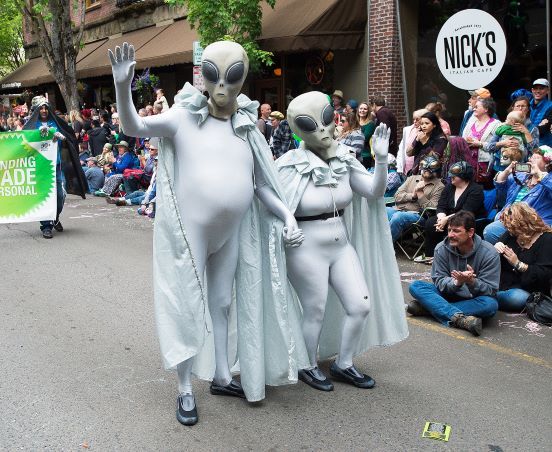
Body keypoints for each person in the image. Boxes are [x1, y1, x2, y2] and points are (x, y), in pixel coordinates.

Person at [109, 41, 303, 426]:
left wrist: (287, 215)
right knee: (186, 306)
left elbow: (261, 182)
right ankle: (184, 388)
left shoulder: (247, 125)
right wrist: (121, 86)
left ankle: (220, 376)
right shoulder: (182, 117)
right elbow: (134, 126)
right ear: (202, 74)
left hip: (230, 232)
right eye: (213, 74)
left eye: (232, 77)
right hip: (191, 232)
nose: (222, 86)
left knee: (223, 303)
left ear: (243, 78)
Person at [277, 91, 407, 392]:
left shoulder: (345, 158)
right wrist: (287, 221)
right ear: (298, 129)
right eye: (310, 124)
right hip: (306, 246)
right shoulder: (289, 165)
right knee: (315, 308)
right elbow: (273, 205)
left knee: (360, 304)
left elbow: (373, 192)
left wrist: (382, 159)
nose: (322, 131)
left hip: (339, 242)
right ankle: (307, 364)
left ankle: (344, 363)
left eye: (325, 120)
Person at [408, 211, 499, 336]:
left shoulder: (489, 253)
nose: (451, 235)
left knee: (491, 305)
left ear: (470, 232)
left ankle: (429, 309)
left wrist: (472, 282)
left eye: (456, 231)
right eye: (449, 230)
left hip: (473, 298)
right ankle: (458, 318)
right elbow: (439, 281)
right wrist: (456, 282)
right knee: (416, 286)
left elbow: (491, 290)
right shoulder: (441, 248)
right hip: (448, 293)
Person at [23, 96, 87, 239]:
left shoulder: (56, 122)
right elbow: (24, 144)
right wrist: (38, 136)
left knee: (60, 195)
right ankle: (46, 226)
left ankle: (55, 217)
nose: (44, 110)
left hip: (56, 166)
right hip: (40, 168)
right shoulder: (31, 125)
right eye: (41, 108)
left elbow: (67, 139)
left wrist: (60, 138)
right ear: (36, 110)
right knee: (44, 197)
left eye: (46, 107)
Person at [483, 147, 552, 244]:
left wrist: (539, 174)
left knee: (491, 231)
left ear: (547, 163)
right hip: (510, 219)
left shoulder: (549, 179)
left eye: (536, 158)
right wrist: (507, 171)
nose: (530, 159)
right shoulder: (522, 175)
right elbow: (499, 185)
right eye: (531, 157)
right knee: (490, 231)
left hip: (532, 225)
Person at [419, 161, 485, 263]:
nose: (451, 177)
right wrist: (441, 219)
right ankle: (432, 256)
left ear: (464, 176)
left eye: (454, 176)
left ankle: (450, 258)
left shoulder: (476, 190)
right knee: (431, 223)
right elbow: (441, 206)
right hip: (448, 218)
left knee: (453, 228)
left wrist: (446, 219)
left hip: (468, 219)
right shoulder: (449, 187)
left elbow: (467, 211)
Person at [494, 203, 552, 312]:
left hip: (527, 289)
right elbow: (492, 260)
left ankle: (487, 298)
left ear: (526, 223)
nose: (510, 231)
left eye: (514, 227)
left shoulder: (547, 239)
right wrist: (495, 249)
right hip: (503, 283)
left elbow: (545, 274)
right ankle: (488, 298)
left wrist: (517, 264)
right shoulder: (511, 234)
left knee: (519, 298)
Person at [387, 155, 444, 242]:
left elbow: (432, 209)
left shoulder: (439, 186)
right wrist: (413, 196)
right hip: (398, 209)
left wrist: (420, 194)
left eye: (429, 170)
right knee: (380, 211)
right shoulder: (412, 178)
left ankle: (385, 247)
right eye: (424, 169)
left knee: (397, 217)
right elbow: (397, 196)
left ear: (436, 171)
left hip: (418, 215)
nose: (426, 171)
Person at [488, 96, 539, 173]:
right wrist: (502, 143)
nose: (520, 108)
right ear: (513, 108)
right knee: (500, 183)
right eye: (518, 106)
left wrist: (526, 133)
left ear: (528, 109)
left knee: (518, 184)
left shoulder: (532, 128)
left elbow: (535, 152)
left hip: (522, 167)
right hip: (501, 166)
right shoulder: (502, 126)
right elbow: (489, 147)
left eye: (523, 106)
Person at [462, 97, 500, 185]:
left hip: (485, 164)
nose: (474, 108)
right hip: (468, 162)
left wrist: (479, 144)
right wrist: (467, 142)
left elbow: (497, 146)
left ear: (486, 109)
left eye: (477, 107)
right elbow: (463, 138)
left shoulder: (496, 124)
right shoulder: (471, 122)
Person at [397, 109, 428, 176]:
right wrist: (399, 167)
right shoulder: (408, 129)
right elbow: (402, 148)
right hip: (406, 168)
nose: (414, 121)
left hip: (420, 169)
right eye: (413, 119)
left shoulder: (427, 132)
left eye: (417, 119)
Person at [530, 78, 552, 146]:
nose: (538, 91)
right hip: (527, 145)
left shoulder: (550, 106)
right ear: (532, 90)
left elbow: (545, 128)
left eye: (541, 88)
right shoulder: (525, 105)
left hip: (544, 146)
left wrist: (526, 129)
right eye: (535, 88)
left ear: (548, 91)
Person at [358, 101, 376, 168]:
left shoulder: (370, 124)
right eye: (361, 108)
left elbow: (364, 139)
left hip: (365, 155)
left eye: (365, 109)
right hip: (353, 154)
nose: (362, 110)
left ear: (368, 111)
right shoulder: (355, 122)